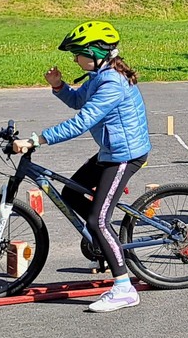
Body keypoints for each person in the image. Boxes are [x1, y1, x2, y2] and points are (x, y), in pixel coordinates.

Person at [13, 20, 152, 312]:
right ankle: (105, 242)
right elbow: (78, 101)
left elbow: (82, 121)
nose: (75, 59)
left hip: (124, 156)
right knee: (72, 195)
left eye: (78, 54)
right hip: (110, 151)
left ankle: (124, 289)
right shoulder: (99, 76)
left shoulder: (112, 82)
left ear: (96, 53)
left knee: (97, 221)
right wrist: (59, 87)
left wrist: (37, 140)